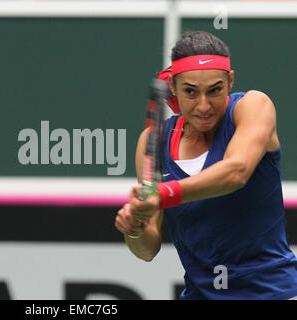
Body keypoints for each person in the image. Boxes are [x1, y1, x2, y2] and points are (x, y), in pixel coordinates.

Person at [114, 31, 297, 300]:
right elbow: (147, 250)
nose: (203, 106)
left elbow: (236, 171)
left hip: (273, 294)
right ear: (173, 87)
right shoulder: (152, 142)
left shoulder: (253, 106)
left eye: (215, 90)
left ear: (230, 81)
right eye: (190, 91)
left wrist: (163, 195)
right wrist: (135, 229)